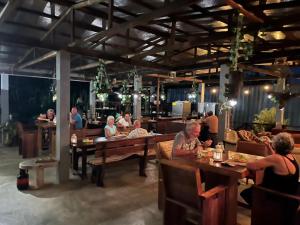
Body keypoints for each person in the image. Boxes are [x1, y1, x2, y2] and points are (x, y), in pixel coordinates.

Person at [240, 132, 299, 206]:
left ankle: (260, 211)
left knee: (246, 192)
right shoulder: (290, 156)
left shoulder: (276, 158)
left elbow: (250, 166)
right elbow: (276, 157)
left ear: (276, 145)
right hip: (289, 199)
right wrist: (268, 146)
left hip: (275, 198)